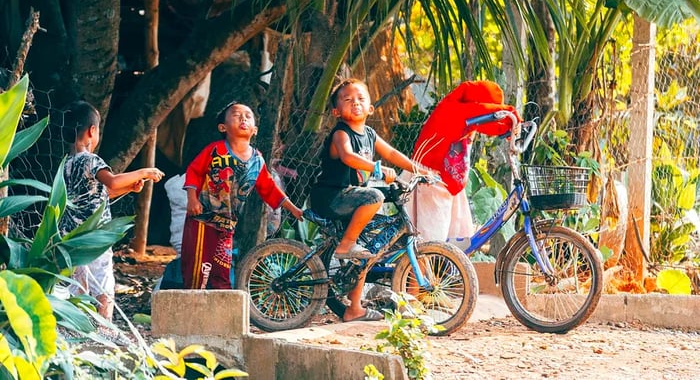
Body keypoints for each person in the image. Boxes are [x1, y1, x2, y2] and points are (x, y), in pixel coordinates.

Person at [310, 78, 433, 323]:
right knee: (374, 195)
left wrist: (420, 169)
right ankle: (346, 244)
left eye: (360, 99)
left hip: (351, 200)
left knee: (368, 248)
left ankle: (354, 309)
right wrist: (377, 168)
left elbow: (392, 153)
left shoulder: (369, 134)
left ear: (370, 108)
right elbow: (348, 156)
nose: (355, 103)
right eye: (347, 100)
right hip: (331, 197)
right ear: (337, 111)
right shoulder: (340, 134)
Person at [180, 101, 303, 289]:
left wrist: (292, 208)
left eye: (248, 115)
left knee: (222, 266)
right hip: (202, 219)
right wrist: (192, 198)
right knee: (198, 266)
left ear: (254, 129)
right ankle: (193, 304)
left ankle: (221, 307)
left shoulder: (257, 159)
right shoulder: (215, 150)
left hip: (227, 223)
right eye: (236, 115)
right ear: (223, 127)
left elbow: (269, 187)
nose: (243, 118)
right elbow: (194, 171)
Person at [60, 100, 165, 321]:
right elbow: (113, 181)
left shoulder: (67, 163)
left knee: (79, 282)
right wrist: (144, 172)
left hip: (72, 236)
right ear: (92, 131)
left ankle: (74, 325)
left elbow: (98, 195)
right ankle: (105, 328)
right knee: (103, 282)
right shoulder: (91, 160)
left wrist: (129, 188)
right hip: (95, 237)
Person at [403, 80, 520, 245]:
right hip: (430, 177)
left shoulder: (470, 118)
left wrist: (508, 127)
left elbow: (488, 123)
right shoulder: (453, 109)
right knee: (431, 240)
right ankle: (422, 270)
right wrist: (511, 114)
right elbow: (484, 112)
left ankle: (450, 269)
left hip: (449, 180)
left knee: (459, 237)